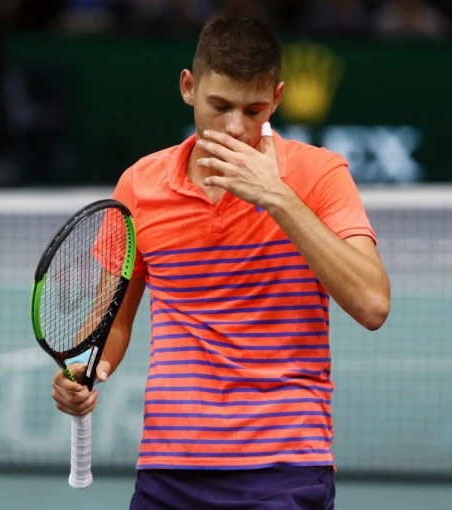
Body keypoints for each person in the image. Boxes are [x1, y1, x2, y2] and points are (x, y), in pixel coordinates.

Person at [52, 15, 391, 510]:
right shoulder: (139, 186)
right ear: (189, 88)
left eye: (254, 110)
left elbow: (372, 304)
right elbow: (112, 323)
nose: (235, 127)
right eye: (220, 106)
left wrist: (277, 197)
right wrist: (84, 368)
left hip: (284, 469)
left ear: (276, 98)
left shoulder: (320, 175)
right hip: (169, 471)